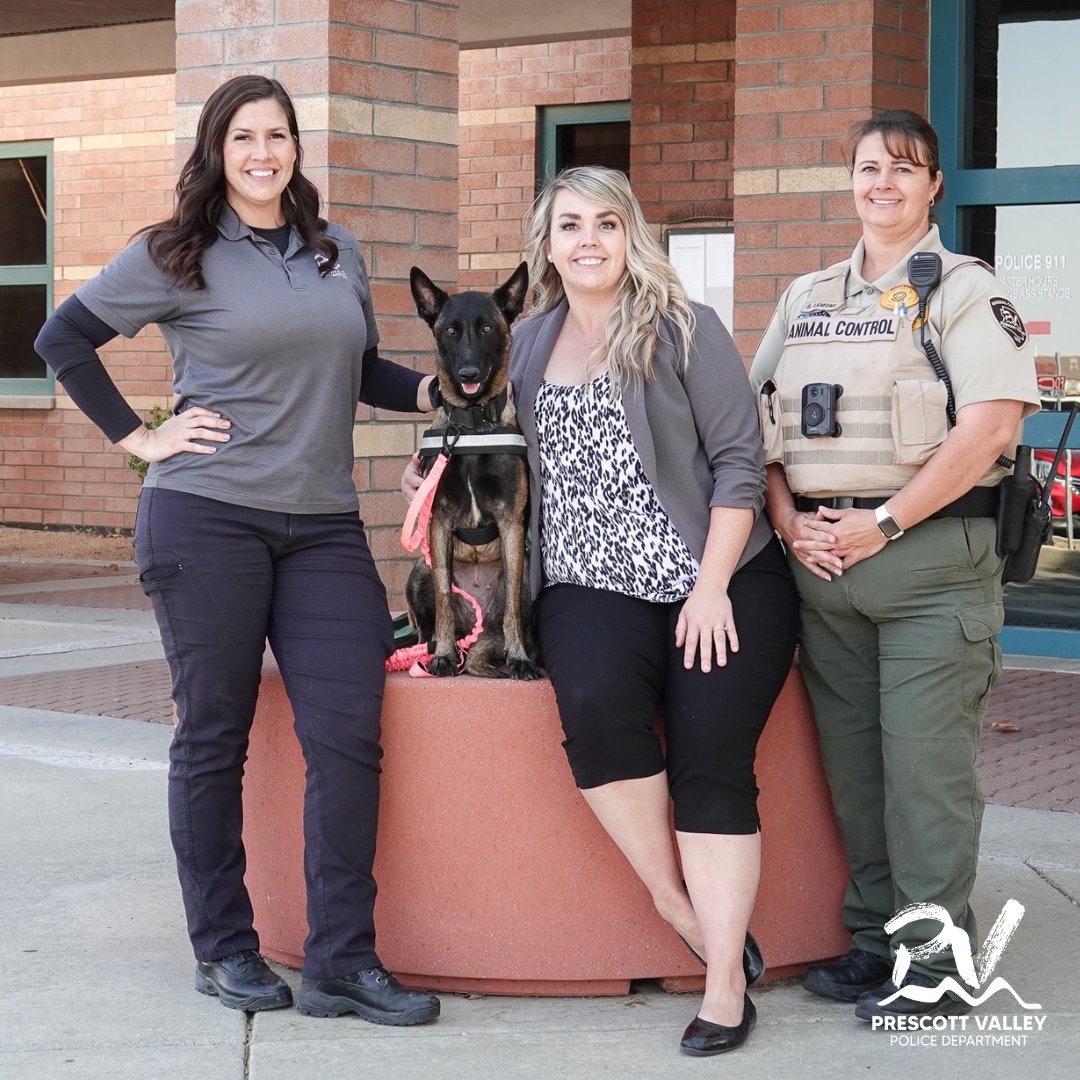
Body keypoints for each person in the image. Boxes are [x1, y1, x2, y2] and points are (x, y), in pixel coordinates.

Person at [34, 75, 442, 1026]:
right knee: (212, 738)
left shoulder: (339, 254)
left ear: (298, 147)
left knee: (347, 735)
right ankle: (225, 950)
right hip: (207, 517)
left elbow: (358, 368)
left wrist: (436, 395)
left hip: (324, 528)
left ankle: (345, 960)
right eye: (245, 137)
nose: (264, 153)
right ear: (218, 150)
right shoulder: (174, 253)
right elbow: (64, 337)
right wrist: (142, 437)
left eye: (280, 136)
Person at [405, 166, 798, 1055]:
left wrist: (709, 587)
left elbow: (740, 464)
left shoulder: (685, 330)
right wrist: (429, 469)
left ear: (633, 236)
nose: (589, 241)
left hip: (719, 574)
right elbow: (474, 428)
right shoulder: (531, 340)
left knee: (710, 754)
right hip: (592, 582)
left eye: (607, 224)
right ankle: (675, 905)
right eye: (570, 225)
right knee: (591, 707)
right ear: (547, 243)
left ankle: (725, 981)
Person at [749, 110, 1040, 1021]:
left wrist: (881, 522)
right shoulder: (804, 297)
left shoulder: (963, 289)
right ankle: (877, 945)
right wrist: (789, 519)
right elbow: (749, 424)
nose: (884, 183)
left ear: (935, 185)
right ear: (851, 181)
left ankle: (939, 965)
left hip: (930, 571)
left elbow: (991, 425)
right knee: (859, 775)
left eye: (905, 169)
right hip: (825, 573)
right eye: (869, 167)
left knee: (925, 777)